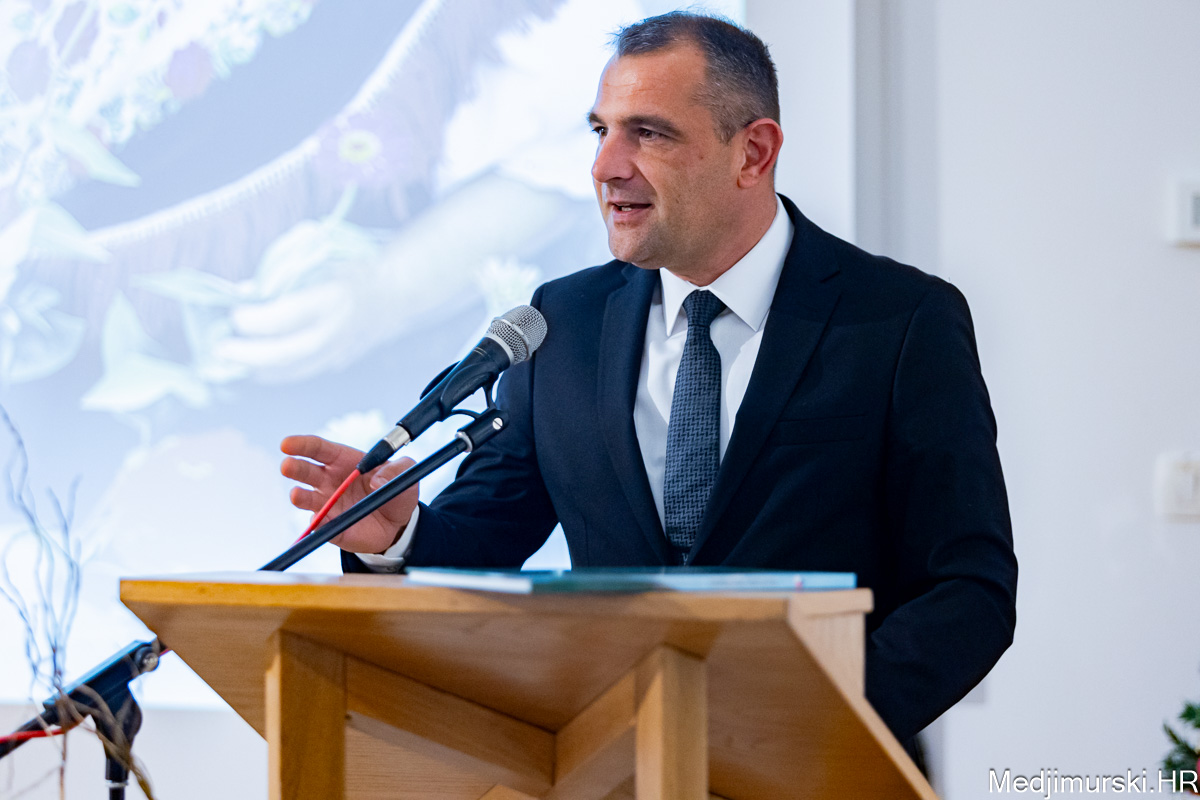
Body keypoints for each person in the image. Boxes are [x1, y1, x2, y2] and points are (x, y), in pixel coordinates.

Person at [280, 11, 1017, 749]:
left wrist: (817, 721)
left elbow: (967, 587)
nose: (605, 166)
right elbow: (484, 538)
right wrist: (399, 534)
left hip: (826, 766)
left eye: (649, 133)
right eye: (600, 131)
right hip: (611, 767)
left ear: (753, 152)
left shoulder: (897, 320)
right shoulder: (563, 325)